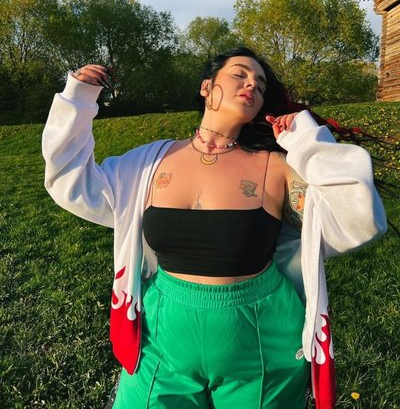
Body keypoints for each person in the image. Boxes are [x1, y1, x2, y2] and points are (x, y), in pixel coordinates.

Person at [42, 47, 387, 408]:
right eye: (240, 74)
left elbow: (359, 219)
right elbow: (72, 181)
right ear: (206, 87)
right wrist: (78, 99)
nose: (252, 85)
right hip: (161, 337)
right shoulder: (148, 164)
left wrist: (307, 143)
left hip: (260, 342)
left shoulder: (277, 168)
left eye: (260, 84)